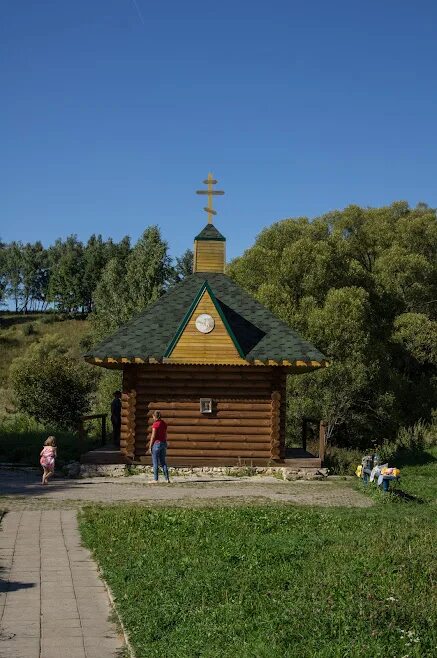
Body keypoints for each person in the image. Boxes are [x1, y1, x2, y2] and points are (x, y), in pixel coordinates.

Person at [148, 411, 170, 483]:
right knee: (163, 462)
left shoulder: (155, 424)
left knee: (155, 462)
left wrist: (150, 446)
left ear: (155, 416)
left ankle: (155, 479)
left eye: (153, 416)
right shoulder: (164, 423)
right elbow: (166, 434)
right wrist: (165, 442)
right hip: (163, 443)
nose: (153, 418)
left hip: (157, 444)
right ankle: (167, 479)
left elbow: (153, 436)